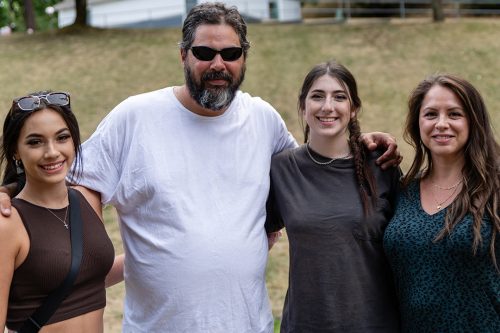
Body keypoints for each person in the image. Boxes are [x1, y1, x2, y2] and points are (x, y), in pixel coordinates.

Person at [0, 3, 400, 332]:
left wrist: (362, 143)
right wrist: (9, 196)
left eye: (230, 53)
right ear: (183, 55)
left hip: (251, 325)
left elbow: (315, 173)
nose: (218, 64)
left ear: (244, 56)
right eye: (205, 53)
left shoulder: (262, 119)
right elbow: (62, 180)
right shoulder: (135, 117)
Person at [265, 61, 401, 332]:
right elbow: (250, 234)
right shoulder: (281, 169)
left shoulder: (382, 165)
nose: (328, 106)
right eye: (317, 96)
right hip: (306, 324)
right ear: (303, 107)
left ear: (353, 110)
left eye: (340, 97)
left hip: (373, 324)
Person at [383, 74, 500, 332]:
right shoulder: (404, 191)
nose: (442, 124)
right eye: (431, 114)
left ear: (473, 122)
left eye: (455, 114)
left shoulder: (495, 190)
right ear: (418, 123)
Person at [0, 91, 123, 333]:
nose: (52, 152)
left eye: (62, 137)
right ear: (16, 151)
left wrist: (152, 255)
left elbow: (84, 278)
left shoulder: (88, 199)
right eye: (35, 141)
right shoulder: (8, 223)